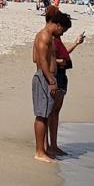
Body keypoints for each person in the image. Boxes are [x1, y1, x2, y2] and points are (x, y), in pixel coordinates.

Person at [43, 7, 84, 159]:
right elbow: (45, 58)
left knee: (55, 112)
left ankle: (53, 145)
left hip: (61, 75)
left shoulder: (56, 37)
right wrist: (60, 62)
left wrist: (76, 43)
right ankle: (48, 146)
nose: (62, 31)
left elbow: (62, 53)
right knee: (50, 112)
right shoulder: (49, 37)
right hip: (56, 76)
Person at [31, 9, 66, 163]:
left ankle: (43, 149)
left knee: (45, 114)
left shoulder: (49, 37)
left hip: (47, 76)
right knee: (42, 115)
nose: (62, 33)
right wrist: (52, 80)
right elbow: (41, 61)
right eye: (63, 30)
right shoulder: (44, 36)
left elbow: (40, 58)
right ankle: (39, 151)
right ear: (57, 25)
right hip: (44, 78)